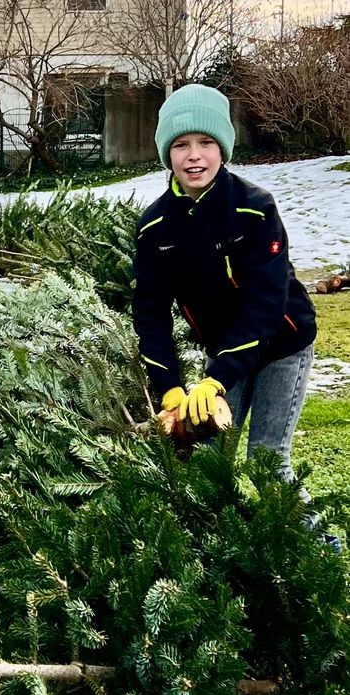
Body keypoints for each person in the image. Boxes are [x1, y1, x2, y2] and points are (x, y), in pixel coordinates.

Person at [132, 85, 318, 502]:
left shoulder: (255, 208)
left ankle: (320, 550)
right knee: (205, 460)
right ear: (167, 154)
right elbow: (150, 313)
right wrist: (170, 387)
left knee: (267, 463)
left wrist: (215, 380)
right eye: (180, 145)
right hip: (222, 348)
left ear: (223, 149)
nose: (193, 155)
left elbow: (266, 303)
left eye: (205, 142)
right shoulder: (155, 228)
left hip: (282, 344)